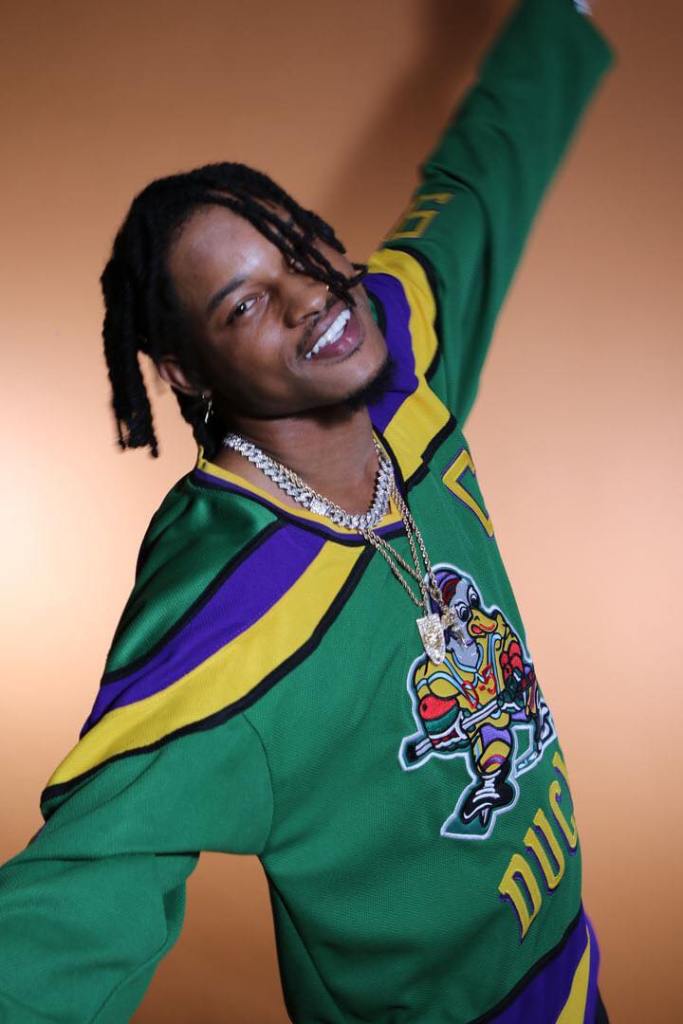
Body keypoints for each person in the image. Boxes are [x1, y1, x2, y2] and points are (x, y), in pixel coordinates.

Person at [0, 0, 616, 1020]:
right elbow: (82, 897)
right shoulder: (227, 614)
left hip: (571, 970)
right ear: (186, 370)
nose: (307, 297)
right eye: (243, 303)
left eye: (296, 248)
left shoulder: (395, 347)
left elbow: (478, 185)